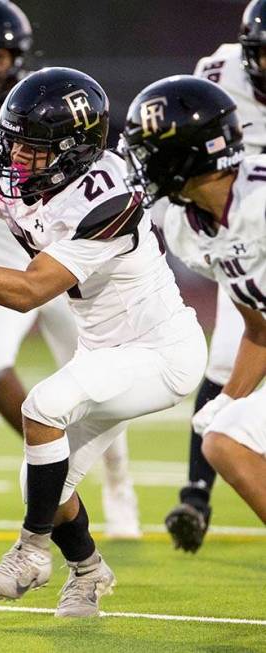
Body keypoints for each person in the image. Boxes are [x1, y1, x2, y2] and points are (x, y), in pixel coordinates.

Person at [0, 68, 206, 617]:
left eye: (33, 147)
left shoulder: (107, 198)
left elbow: (30, 291)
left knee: (43, 406)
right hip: (102, 350)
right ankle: (89, 572)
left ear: (74, 151)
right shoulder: (22, 171)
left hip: (160, 352)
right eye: (15, 140)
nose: (16, 158)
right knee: (40, 479)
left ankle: (30, 551)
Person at [0, 0, 139, 538]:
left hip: (65, 255)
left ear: (17, 58)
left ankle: (119, 484)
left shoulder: (43, 99)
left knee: (96, 382)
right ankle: (56, 461)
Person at [123, 75, 266, 524]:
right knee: (222, 437)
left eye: (150, 152)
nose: (142, 165)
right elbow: (260, 327)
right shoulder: (189, 226)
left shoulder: (259, 198)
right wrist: (230, 396)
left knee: (225, 441)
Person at [164, 0, 266, 550]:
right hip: (238, 227)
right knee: (224, 414)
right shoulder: (219, 74)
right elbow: (259, 326)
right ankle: (196, 495)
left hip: (251, 218)